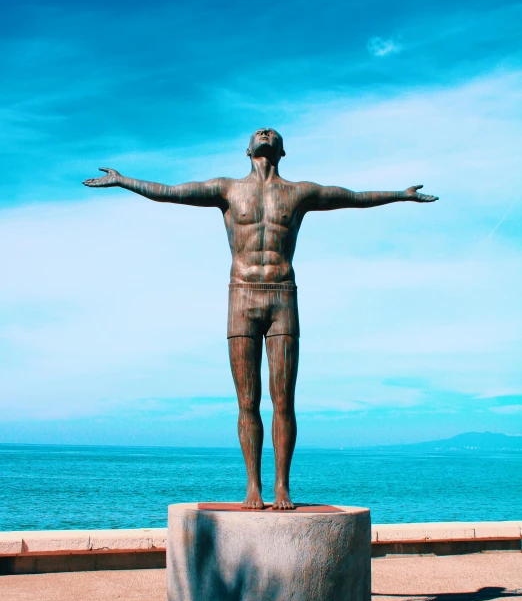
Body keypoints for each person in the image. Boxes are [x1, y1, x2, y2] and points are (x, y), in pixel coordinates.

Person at [84, 128, 437, 509]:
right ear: (247, 149)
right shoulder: (227, 189)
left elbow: (350, 197)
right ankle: (253, 486)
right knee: (247, 402)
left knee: (284, 401)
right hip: (242, 296)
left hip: (283, 295)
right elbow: (169, 192)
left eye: (272, 134)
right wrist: (123, 181)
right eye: (259, 133)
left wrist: (400, 195)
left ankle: (282, 486)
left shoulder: (299, 192)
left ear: (282, 151)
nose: (265, 134)